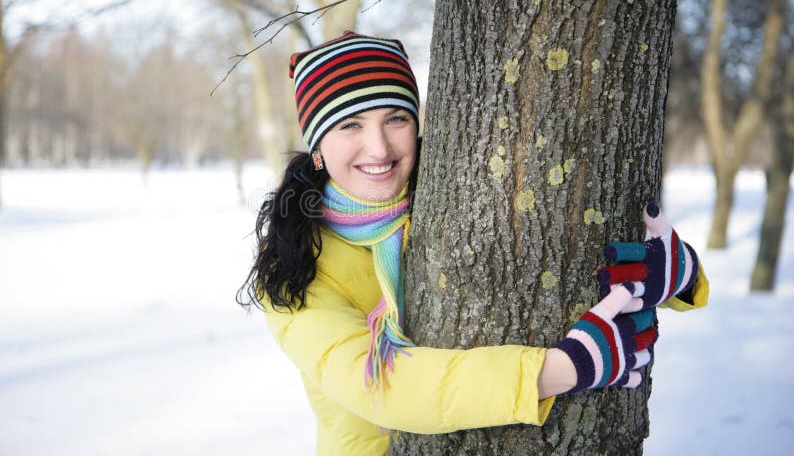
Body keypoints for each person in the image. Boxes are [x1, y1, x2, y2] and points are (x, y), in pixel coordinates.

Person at [238, 31, 710, 455]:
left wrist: (679, 274)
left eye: (395, 119)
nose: (379, 148)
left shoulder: (450, 197)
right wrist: (557, 369)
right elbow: (379, 387)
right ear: (318, 146)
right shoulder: (293, 262)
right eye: (350, 125)